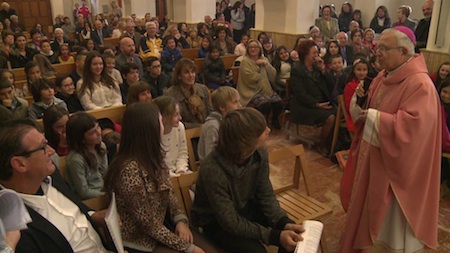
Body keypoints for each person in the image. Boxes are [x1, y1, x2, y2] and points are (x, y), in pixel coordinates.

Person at [339, 27, 441, 252]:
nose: (377, 52)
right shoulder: (383, 77)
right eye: (377, 47)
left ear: (404, 51)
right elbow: (369, 109)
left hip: (399, 171)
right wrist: (359, 105)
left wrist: (376, 119)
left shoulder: (420, 85)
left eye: (384, 48)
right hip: (375, 159)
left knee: (391, 227)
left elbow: (416, 129)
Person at [103, 102, 217, 253]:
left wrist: (180, 220)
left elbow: (168, 191)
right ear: (148, 129)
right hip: (140, 239)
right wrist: (187, 248)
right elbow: (147, 223)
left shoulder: (153, 157)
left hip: (163, 225)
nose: (163, 125)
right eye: (159, 121)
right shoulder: (127, 170)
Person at [192, 107, 304, 253]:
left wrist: (283, 223)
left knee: (292, 235)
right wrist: (274, 236)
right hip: (215, 222)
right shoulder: (212, 169)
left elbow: (265, 195)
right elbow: (230, 222)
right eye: (262, 130)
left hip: (245, 208)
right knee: (257, 251)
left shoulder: (259, 152)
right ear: (245, 143)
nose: (269, 130)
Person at [0, 119, 110, 252]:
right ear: (20, 164)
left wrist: (92, 215)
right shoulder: (11, 223)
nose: (51, 151)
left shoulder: (51, 174)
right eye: (43, 147)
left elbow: (75, 209)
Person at [289, 39, 336, 156]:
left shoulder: (317, 67)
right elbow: (300, 94)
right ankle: (322, 144)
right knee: (330, 117)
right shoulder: (297, 69)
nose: (317, 56)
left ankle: (333, 142)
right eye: (314, 53)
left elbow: (331, 85)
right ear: (305, 54)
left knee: (339, 111)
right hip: (304, 106)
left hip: (320, 102)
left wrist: (323, 70)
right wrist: (317, 104)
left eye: (317, 53)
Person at [237, 39, 282, 130]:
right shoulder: (245, 62)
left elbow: (273, 74)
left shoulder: (264, 59)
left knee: (279, 103)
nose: (253, 49)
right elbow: (249, 78)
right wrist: (262, 72)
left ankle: (274, 120)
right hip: (251, 90)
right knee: (265, 105)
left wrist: (266, 65)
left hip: (266, 89)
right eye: (251, 47)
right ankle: (262, 122)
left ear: (260, 49)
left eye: (255, 47)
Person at [65, 112, 108, 200]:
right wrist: (105, 195)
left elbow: (105, 173)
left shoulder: (101, 146)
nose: (99, 132)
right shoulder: (76, 159)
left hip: (102, 191)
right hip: (88, 199)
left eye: (98, 127)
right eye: (92, 133)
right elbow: (83, 192)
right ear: (81, 139)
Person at [164, 59, 212, 129]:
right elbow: (175, 121)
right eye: (186, 72)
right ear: (179, 76)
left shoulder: (203, 89)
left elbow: (210, 112)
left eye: (193, 72)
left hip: (207, 130)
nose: (191, 75)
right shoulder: (170, 94)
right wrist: (198, 127)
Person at [198, 86, 241, 161]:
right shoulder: (212, 126)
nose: (240, 105)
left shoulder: (232, 122)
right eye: (235, 102)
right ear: (222, 107)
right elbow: (210, 158)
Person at [153, 95, 191, 177]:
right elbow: (156, 164)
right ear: (164, 117)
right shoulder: (153, 133)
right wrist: (174, 177)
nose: (180, 117)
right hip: (162, 176)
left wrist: (181, 169)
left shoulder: (179, 127)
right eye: (176, 115)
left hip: (179, 172)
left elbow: (182, 153)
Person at [343, 58, 371, 134]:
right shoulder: (350, 86)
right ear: (354, 71)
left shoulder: (370, 83)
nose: (361, 73)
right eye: (359, 70)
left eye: (364, 70)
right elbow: (349, 106)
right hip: (355, 115)